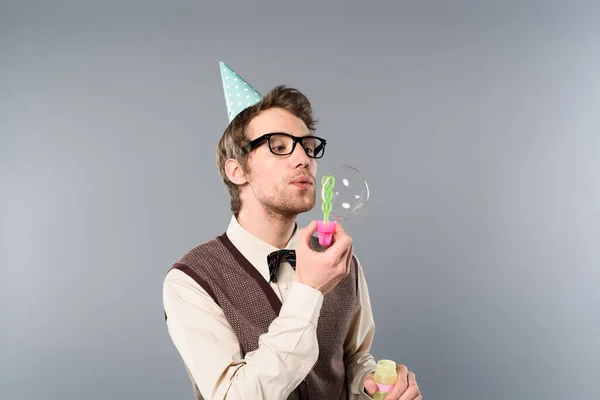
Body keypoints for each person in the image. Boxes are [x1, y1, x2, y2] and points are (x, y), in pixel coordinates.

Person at [162, 62, 422, 400]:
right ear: (238, 170)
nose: (304, 158)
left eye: (308, 146)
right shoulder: (191, 280)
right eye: (280, 146)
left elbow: (354, 360)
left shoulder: (342, 262)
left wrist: (373, 386)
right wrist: (309, 291)